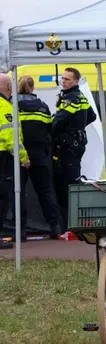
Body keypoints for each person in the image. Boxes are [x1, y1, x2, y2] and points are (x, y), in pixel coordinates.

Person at [16, 75, 64, 240]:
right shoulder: (42, 107)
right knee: (46, 190)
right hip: (40, 154)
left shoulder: (13, 106)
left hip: (18, 154)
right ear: (33, 88)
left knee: (18, 192)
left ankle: (20, 231)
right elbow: (50, 130)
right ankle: (55, 226)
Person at [51, 67, 97, 231]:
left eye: (67, 79)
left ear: (76, 81)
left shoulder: (71, 99)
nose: (64, 81)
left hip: (68, 147)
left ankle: (71, 225)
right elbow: (92, 115)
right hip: (77, 144)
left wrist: (69, 129)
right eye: (62, 78)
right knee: (73, 182)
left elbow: (57, 123)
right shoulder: (80, 97)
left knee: (67, 186)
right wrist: (77, 127)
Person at [0, 73, 30, 249]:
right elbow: (10, 137)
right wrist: (23, 158)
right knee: (3, 197)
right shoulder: (5, 106)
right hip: (3, 156)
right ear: (8, 88)